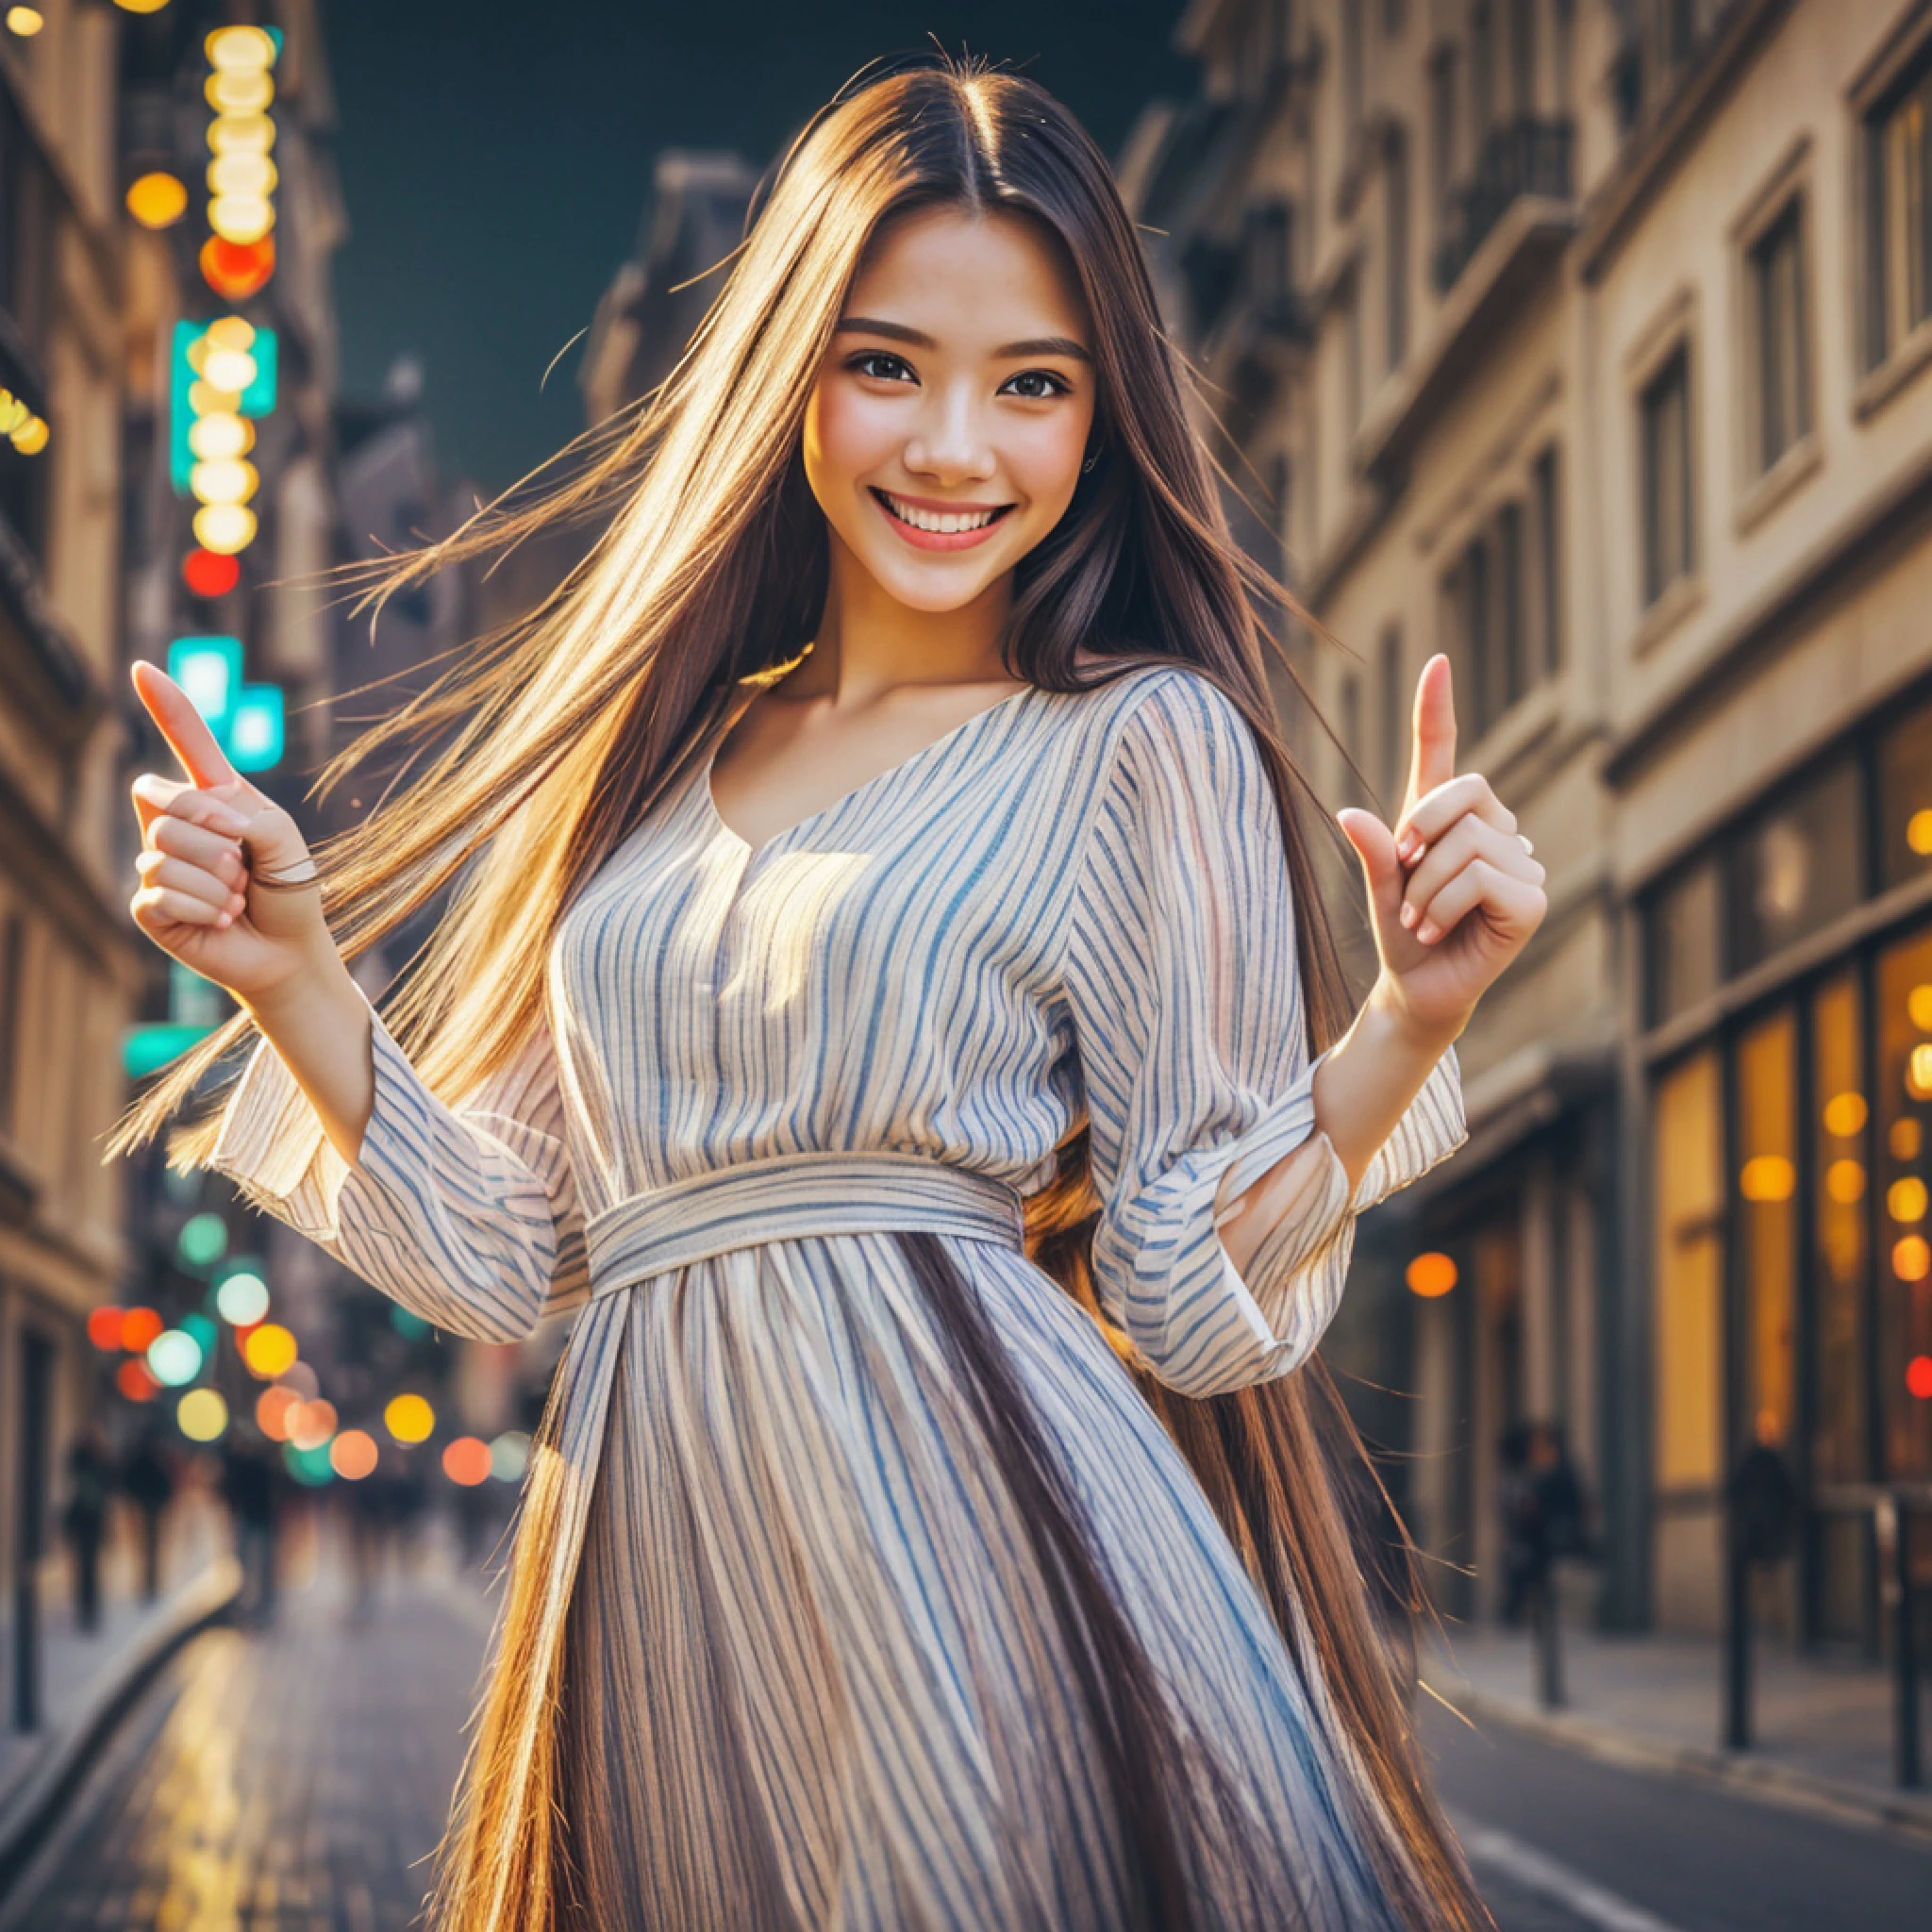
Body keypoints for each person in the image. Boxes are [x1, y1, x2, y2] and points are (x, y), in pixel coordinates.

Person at [109, 60, 1544, 1932]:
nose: (957, 446)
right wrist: (293, 971)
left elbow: (1185, 1293)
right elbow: (516, 1250)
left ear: (1102, 416)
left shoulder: (1140, 741)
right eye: (888, 364)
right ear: (792, 366)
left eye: (1033, 383)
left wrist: (1403, 1029)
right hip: (650, 1574)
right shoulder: (653, 760)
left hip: (979, 1554)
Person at [59, 1419, 115, 1635]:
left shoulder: (99, 1460)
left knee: (90, 1568)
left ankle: (90, 1611)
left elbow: (110, 1486)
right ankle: (86, 1611)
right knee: (84, 1568)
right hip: (84, 1519)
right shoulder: (83, 1457)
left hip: (92, 1520)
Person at [119, 1429, 175, 1605]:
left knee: (147, 1549)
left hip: (147, 1508)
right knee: (148, 1549)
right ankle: (149, 1584)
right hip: (147, 1509)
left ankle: (149, 1584)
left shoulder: (144, 1461)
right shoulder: (154, 1461)